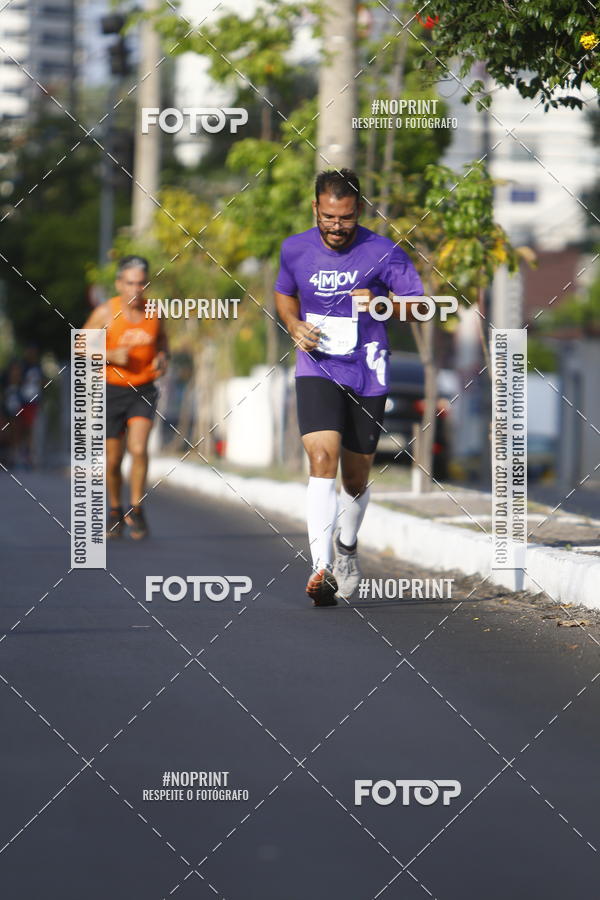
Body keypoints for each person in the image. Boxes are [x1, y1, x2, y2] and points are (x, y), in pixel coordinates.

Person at [275, 168, 425, 606]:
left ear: (358, 210)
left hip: (368, 369)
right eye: (328, 217)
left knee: (356, 476)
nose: (336, 227)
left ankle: (346, 544)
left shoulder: (384, 251)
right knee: (321, 457)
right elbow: (285, 294)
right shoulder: (294, 249)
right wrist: (292, 323)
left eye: (344, 218)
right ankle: (320, 568)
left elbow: (419, 307)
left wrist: (380, 303)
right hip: (317, 365)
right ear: (315, 209)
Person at [83, 256, 169, 539]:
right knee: (113, 459)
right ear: (120, 284)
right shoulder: (106, 312)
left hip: (143, 389)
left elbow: (162, 343)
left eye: (141, 283)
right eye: (130, 283)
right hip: (112, 390)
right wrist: (108, 355)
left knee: (139, 447)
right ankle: (115, 509)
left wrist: (162, 358)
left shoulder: (155, 312)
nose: (136, 289)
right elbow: (79, 346)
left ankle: (137, 508)